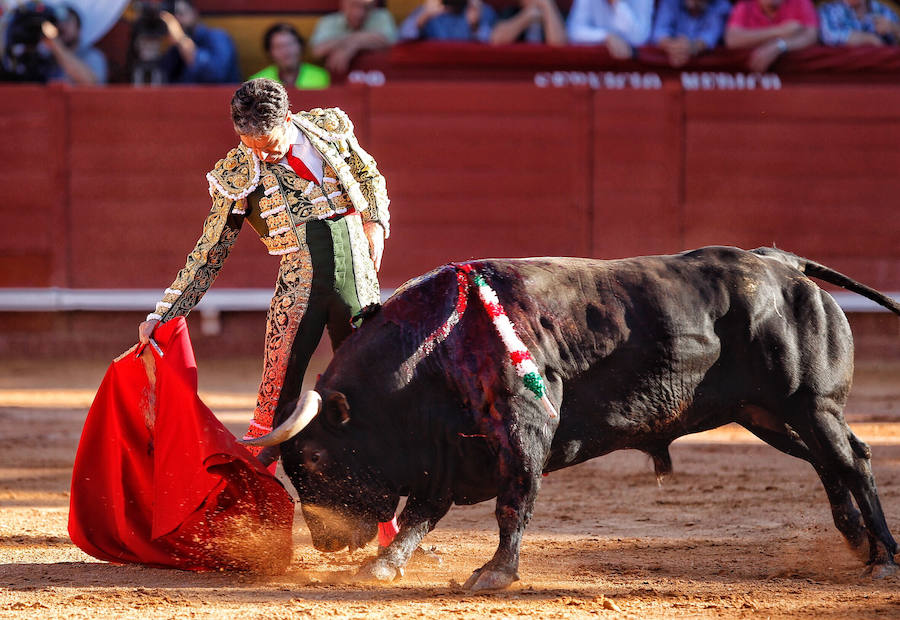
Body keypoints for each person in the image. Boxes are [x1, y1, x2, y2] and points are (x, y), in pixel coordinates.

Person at [138, 78, 389, 465]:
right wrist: (165, 313)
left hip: (359, 281)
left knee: (369, 389)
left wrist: (375, 223)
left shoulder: (330, 128)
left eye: (268, 144)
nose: (262, 155)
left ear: (288, 118)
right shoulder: (237, 173)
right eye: (249, 144)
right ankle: (254, 505)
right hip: (299, 287)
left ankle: (373, 498)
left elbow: (369, 176)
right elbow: (211, 250)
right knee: (275, 401)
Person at [158, 0, 241, 83]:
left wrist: (180, 39)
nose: (177, 22)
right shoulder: (173, 51)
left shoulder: (217, 37)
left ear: (194, 12)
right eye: (173, 18)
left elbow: (215, 74)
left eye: (181, 14)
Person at [724, 0, 819, 72]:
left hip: (795, 80)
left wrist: (779, 45)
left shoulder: (800, 2)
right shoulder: (745, 5)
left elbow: (811, 36)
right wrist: (780, 31)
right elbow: (732, 39)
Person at [309, 0, 398, 75]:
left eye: (366, 7)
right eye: (354, 5)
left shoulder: (382, 16)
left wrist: (354, 45)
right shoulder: (329, 21)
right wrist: (353, 42)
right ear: (343, 4)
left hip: (376, 76)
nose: (359, 13)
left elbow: (389, 42)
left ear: (373, 6)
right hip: (337, 79)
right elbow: (318, 51)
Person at [41, 3, 107, 84]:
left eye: (67, 22)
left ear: (78, 29)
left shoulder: (93, 56)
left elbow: (91, 83)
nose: (61, 26)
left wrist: (56, 46)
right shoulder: (47, 59)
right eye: (57, 22)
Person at [249, 22, 330, 89]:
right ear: (269, 52)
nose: (286, 51)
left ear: (300, 46)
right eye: (279, 46)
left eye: (290, 44)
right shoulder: (257, 82)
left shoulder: (320, 77)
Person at [651, 0, 732, 66]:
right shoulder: (671, 2)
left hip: (704, 70)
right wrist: (672, 47)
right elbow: (660, 31)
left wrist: (690, 48)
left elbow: (710, 36)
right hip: (670, 65)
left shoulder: (721, 5)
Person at [566, 0, 655, 58]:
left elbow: (639, 38)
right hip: (598, 66)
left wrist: (616, 3)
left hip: (634, 70)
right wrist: (606, 37)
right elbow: (573, 31)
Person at [398, 0, 499, 42]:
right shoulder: (429, 10)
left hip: (472, 76)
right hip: (435, 73)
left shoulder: (482, 11)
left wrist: (475, 27)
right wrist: (423, 17)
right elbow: (402, 37)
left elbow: (495, 43)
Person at [818, 0, 900, 45]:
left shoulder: (881, 9)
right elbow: (828, 35)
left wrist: (894, 28)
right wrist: (869, 39)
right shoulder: (828, 10)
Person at [490, 0, 568, 45]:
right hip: (517, 64)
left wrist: (547, 6)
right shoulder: (511, 12)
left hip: (547, 67)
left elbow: (559, 44)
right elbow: (497, 39)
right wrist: (527, 16)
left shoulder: (556, 14)